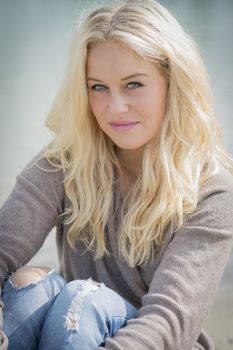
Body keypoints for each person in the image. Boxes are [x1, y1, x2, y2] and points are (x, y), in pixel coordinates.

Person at [1, 0, 233, 349]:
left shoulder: (213, 193)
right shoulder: (67, 160)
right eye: (98, 87)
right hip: (71, 339)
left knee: (86, 299)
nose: (115, 107)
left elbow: (168, 322)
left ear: (174, 84)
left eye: (134, 85)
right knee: (29, 286)